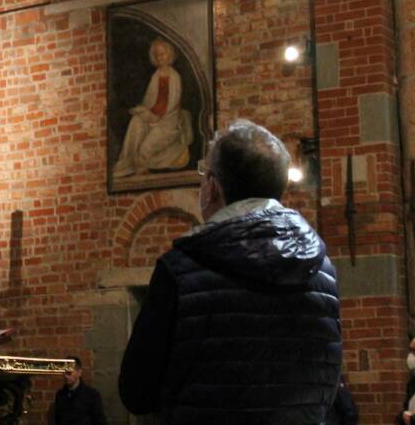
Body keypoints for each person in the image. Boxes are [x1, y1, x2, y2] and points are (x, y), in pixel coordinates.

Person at [118, 119, 342, 423]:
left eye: (203, 174)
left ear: (212, 187)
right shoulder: (322, 271)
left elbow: (136, 392)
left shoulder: (181, 269)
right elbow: (326, 387)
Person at [112, 38, 194, 178]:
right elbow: (149, 101)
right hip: (154, 117)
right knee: (136, 121)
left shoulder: (175, 77)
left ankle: (143, 167)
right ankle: (127, 160)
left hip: (168, 122)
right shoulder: (155, 76)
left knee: (145, 149)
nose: (160, 58)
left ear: (169, 55)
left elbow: (171, 105)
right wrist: (143, 112)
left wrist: (153, 115)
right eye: (157, 55)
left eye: (162, 54)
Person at [53, 356, 107, 425]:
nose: (65, 376)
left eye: (69, 373)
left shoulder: (92, 396)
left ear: (79, 373)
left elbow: (100, 422)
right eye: (64, 372)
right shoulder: (60, 395)